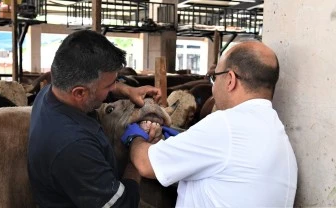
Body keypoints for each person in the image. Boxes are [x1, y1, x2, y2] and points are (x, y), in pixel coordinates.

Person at [121, 41, 298, 207]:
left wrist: (135, 135)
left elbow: (145, 163)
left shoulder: (226, 124)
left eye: (215, 77)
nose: (213, 86)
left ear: (230, 80)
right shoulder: (278, 135)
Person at [27, 30, 162, 208]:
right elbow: (122, 205)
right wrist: (137, 149)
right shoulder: (73, 145)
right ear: (80, 93)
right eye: (110, 85)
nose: (114, 87)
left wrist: (127, 90)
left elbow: (96, 88)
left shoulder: (52, 93)